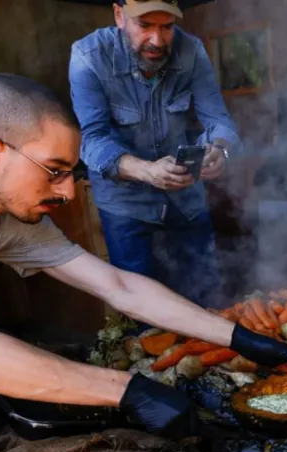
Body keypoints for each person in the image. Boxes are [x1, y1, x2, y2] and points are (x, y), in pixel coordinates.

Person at [0, 73, 287, 452]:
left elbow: (117, 286)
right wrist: (129, 391)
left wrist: (240, 338)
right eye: (53, 171)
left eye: (70, 173)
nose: (69, 194)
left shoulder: (4, 217)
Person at [69, 0, 242, 307]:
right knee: (140, 310)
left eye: (167, 27)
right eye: (145, 26)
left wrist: (220, 150)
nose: (157, 40)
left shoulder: (191, 51)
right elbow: (92, 140)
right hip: (126, 209)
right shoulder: (88, 57)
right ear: (119, 15)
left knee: (205, 300)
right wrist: (146, 171)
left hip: (187, 201)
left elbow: (218, 121)